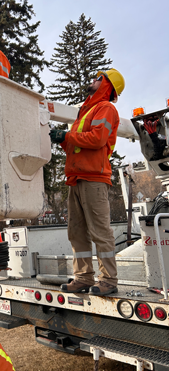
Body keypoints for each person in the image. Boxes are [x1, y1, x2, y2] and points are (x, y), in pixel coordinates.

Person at [50, 68, 125, 296]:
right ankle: (83, 277)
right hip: (77, 178)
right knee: (77, 231)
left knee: (100, 231)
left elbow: (97, 138)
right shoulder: (86, 112)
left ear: (107, 85)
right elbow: (77, 145)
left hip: (94, 178)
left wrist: (67, 136)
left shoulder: (106, 108)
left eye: (98, 78)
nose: (93, 80)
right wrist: (62, 139)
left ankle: (108, 280)